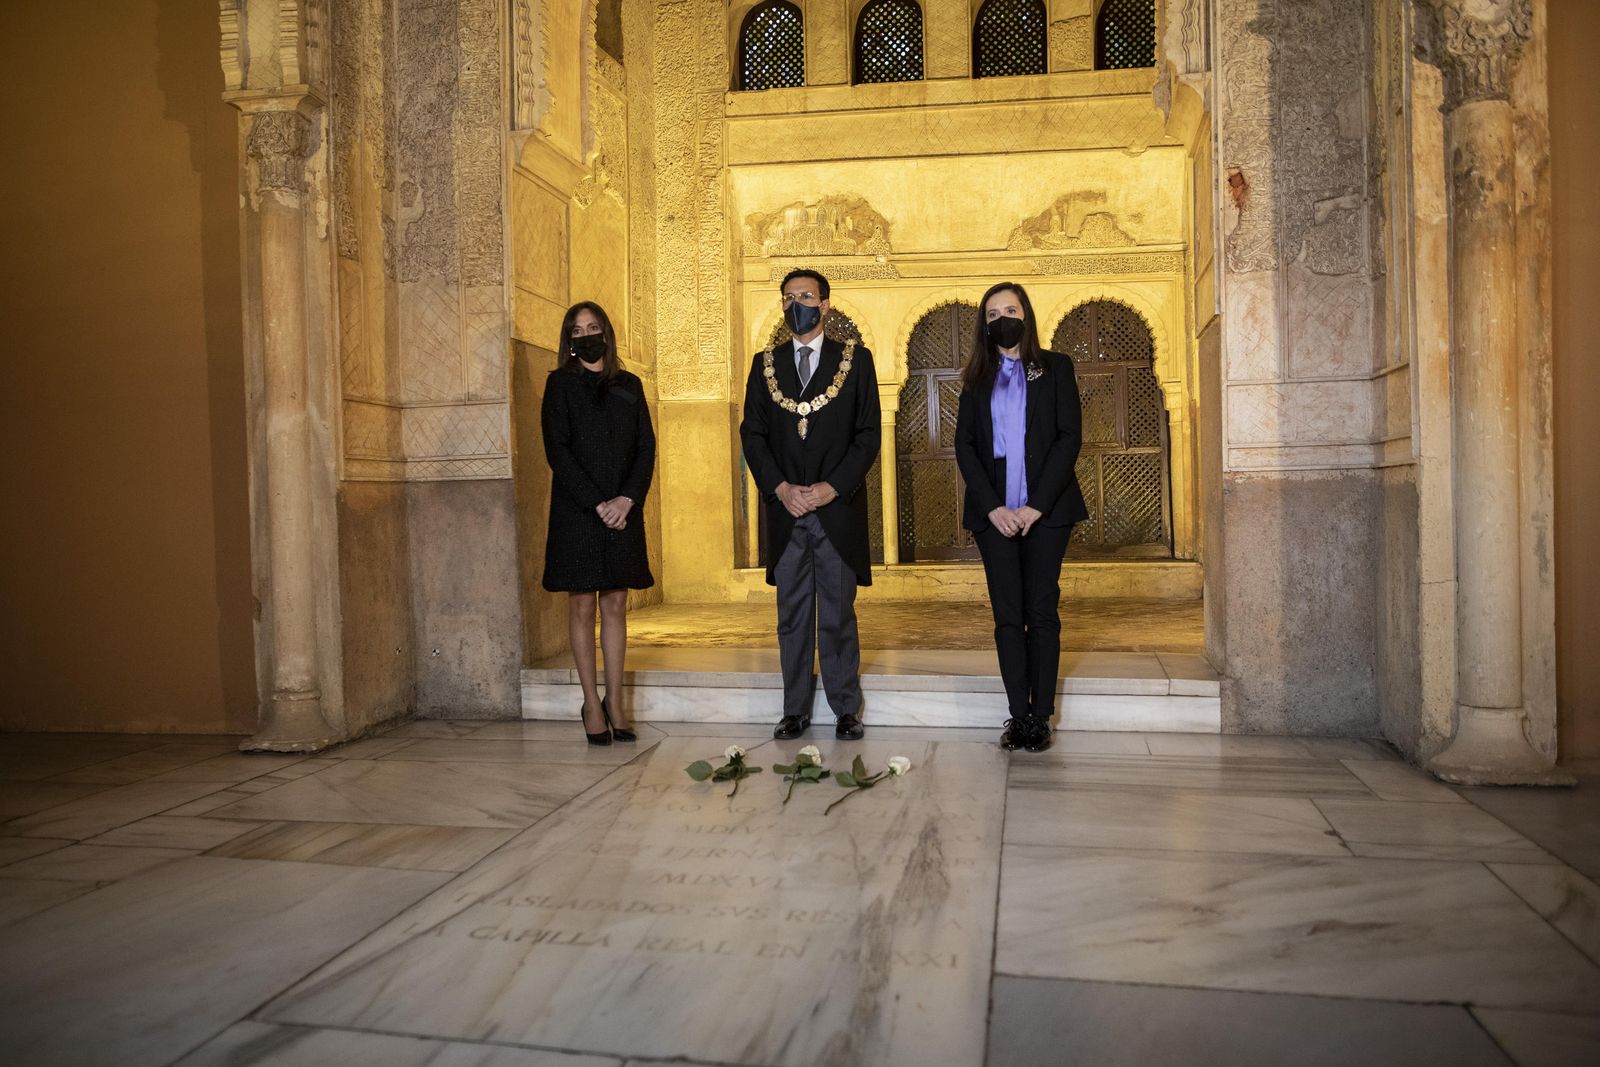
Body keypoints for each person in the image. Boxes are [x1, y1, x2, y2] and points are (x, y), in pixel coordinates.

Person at [740, 269, 881, 741]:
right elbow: (753, 436)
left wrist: (830, 488)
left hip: (834, 510)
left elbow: (867, 436)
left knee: (838, 612)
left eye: (806, 296)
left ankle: (845, 708)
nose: (797, 303)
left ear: (824, 305)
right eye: (788, 297)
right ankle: (794, 709)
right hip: (787, 511)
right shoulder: (764, 365)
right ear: (782, 306)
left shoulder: (855, 361)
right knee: (792, 613)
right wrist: (781, 488)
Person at [953, 282, 1088, 752]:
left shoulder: (1055, 367)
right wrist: (993, 507)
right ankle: (1018, 716)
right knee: (1008, 615)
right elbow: (965, 447)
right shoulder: (975, 376)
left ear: (1026, 315)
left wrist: (1037, 505)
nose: (1001, 318)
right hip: (994, 511)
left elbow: (1068, 438)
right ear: (984, 324)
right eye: (992, 313)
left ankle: (1041, 716)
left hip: (1046, 508)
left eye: (1010, 309)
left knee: (1041, 611)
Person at [541, 301, 656, 745]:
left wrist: (626, 500)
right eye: (577, 329)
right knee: (582, 603)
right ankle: (590, 702)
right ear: (569, 340)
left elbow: (645, 448)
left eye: (593, 327)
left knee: (614, 602)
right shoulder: (559, 385)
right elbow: (558, 451)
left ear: (606, 332)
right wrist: (598, 503)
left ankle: (615, 700)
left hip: (624, 509)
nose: (586, 334)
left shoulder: (630, 385)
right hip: (578, 510)